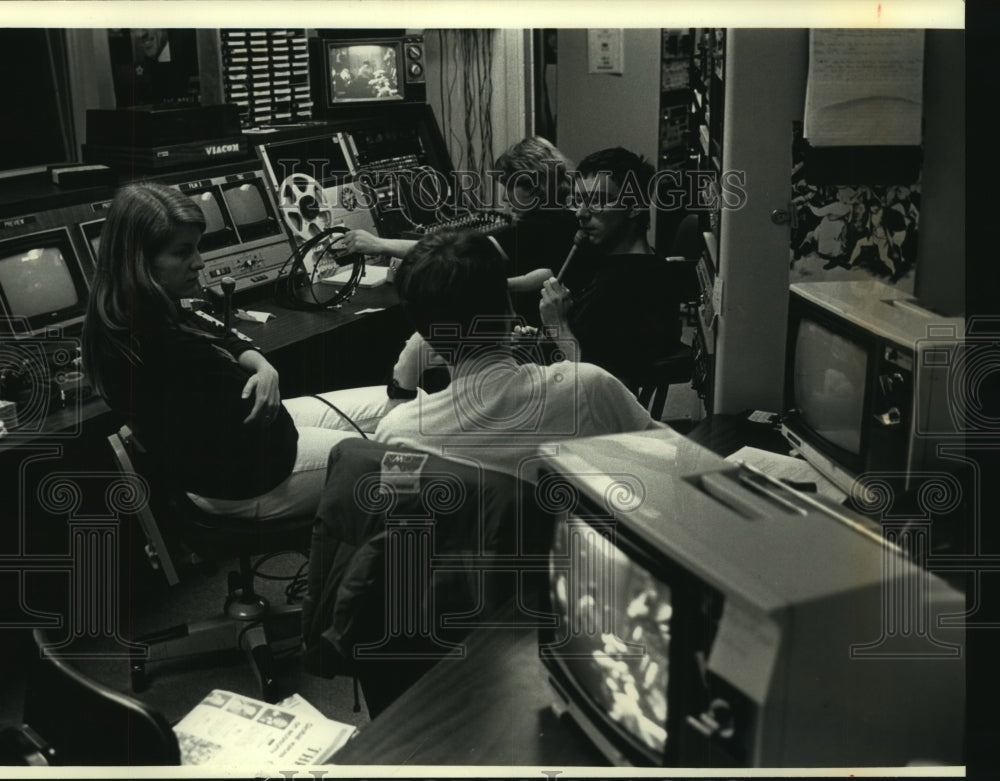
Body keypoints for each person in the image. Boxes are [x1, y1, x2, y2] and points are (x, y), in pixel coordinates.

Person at [82, 182, 397, 521]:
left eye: (197, 249)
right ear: (137, 260)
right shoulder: (152, 341)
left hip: (259, 440)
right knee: (409, 467)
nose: (199, 263)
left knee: (400, 404)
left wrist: (262, 365)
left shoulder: (152, 303)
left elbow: (217, 328)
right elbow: (235, 393)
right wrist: (355, 445)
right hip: (254, 474)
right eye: (182, 252)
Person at [372, 229, 663, 482]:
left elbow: (398, 506)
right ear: (509, 312)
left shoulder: (400, 431)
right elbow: (662, 451)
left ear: (423, 333)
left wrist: (403, 380)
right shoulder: (589, 384)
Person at [333, 136, 588, 327]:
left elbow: (453, 251)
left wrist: (378, 244)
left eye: (509, 187)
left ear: (533, 186)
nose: (505, 197)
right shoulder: (569, 214)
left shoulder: (535, 228)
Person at [535, 147, 683, 386]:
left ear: (635, 207)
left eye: (596, 201)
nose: (581, 213)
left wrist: (557, 326)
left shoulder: (634, 284)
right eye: (579, 201)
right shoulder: (622, 265)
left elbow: (603, 388)